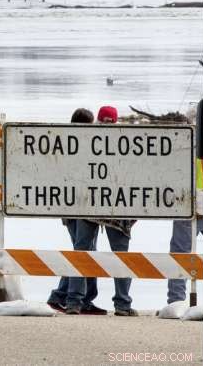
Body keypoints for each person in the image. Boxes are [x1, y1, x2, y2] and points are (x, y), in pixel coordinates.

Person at [66, 105, 138, 316]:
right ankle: (122, 304)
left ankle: (74, 302)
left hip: (92, 205)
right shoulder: (126, 142)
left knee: (82, 251)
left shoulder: (85, 140)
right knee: (119, 255)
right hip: (113, 207)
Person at [47, 108, 106, 315]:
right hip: (82, 206)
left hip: (68, 207)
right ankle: (73, 299)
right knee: (83, 251)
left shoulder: (64, 143)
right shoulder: (84, 145)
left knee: (83, 251)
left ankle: (71, 297)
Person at [167, 97, 203, 304]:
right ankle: (176, 300)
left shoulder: (183, 144)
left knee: (179, 254)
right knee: (180, 253)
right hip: (191, 206)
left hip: (189, 206)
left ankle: (176, 301)